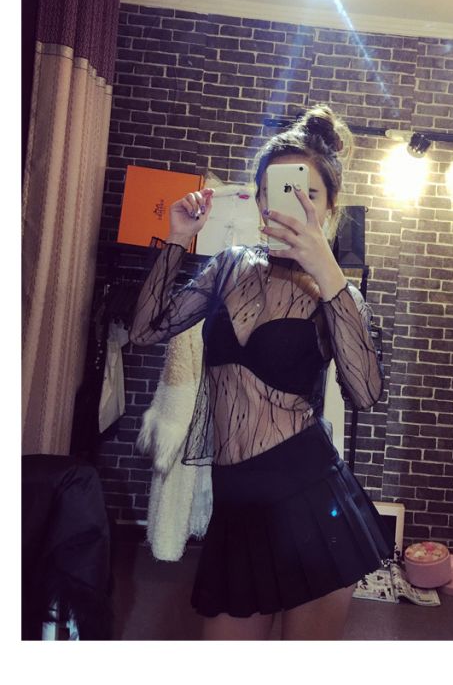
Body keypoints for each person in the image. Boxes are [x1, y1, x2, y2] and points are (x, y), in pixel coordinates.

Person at [129, 105, 394, 640]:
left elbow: (366, 393)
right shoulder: (229, 266)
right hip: (236, 507)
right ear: (260, 199)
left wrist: (327, 271)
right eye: (280, 190)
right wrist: (178, 237)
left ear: (331, 208)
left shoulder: (338, 295)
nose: (294, 204)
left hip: (309, 500)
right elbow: (145, 330)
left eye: (310, 194)